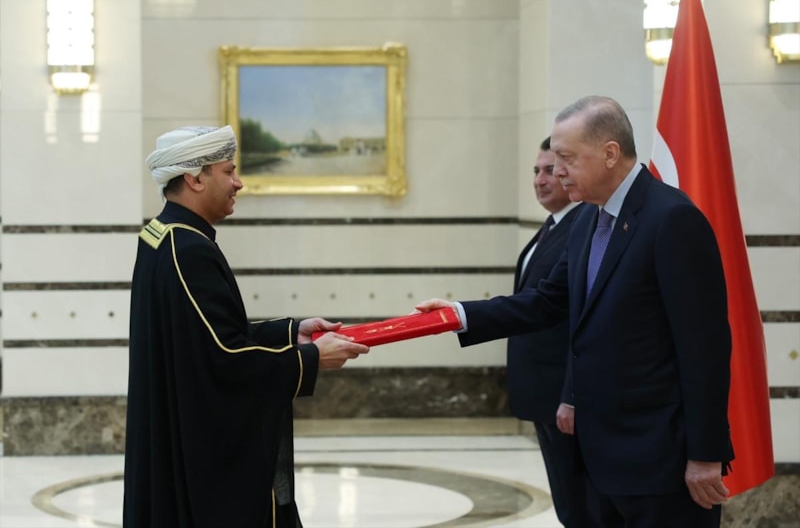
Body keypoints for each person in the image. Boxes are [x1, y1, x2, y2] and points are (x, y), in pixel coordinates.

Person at [418, 96, 734, 527]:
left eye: (566, 158)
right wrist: (460, 315)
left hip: (662, 460)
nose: (557, 170)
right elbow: (548, 300)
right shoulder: (586, 219)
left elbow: (705, 350)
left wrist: (705, 454)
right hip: (599, 461)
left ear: (610, 153)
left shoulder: (672, 219)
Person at [123, 125, 370, 527]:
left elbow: (202, 337)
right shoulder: (187, 248)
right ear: (195, 178)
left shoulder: (160, 234)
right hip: (201, 456)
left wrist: (291, 333)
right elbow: (223, 359)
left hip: (176, 430)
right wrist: (308, 359)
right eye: (229, 171)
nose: (238, 183)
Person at [507, 136, 584, 527]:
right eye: (536, 171)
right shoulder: (554, 226)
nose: (540, 180)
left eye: (550, 170)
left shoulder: (582, 226)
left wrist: (570, 394)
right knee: (567, 498)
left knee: (580, 502)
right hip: (541, 392)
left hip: (563, 395)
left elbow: (574, 319)